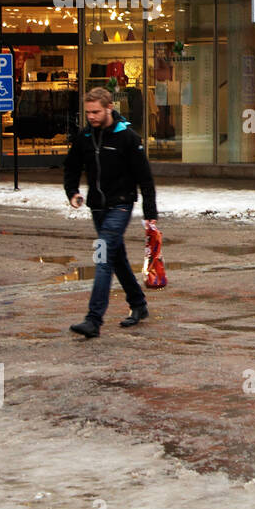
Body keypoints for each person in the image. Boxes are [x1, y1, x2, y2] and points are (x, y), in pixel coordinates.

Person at [63, 87, 157, 339]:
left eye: (96, 112)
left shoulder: (127, 137)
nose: (91, 117)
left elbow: (145, 178)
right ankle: (138, 304)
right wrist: (72, 192)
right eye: (88, 112)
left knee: (102, 256)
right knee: (117, 259)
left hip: (121, 205)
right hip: (97, 207)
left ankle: (93, 319)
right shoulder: (84, 136)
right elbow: (71, 167)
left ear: (109, 108)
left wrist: (150, 213)